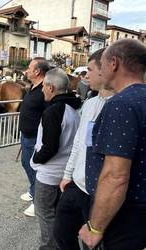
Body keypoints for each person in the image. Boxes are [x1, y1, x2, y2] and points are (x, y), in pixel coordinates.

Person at [78, 39, 146, 250]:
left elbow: (115, 176)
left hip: (125, 217)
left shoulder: (121, 105)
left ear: (114, 63)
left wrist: (95, 228)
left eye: (103, 63)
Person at [53, 48, 114, 250]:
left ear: (104, 70)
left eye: (89, 69)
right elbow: (79, 143)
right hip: (76, 186)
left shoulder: (121, 106)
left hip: (100, 194)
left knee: (93, 244)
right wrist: (67, 174)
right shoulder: (89, 104)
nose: (85, 75)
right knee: (61, 233)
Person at [29, 68, 81, 250]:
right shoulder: (73, 109)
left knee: (44, 214)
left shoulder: (53, 111)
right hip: (65, 173)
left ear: (51, 87)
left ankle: (49, 247)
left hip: (50, 175)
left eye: (43, 86)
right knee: (56, 216)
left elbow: (50, 147)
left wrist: (35, 159)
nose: (42, 89)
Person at [18, 57, 50, 217]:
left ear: (37, 71)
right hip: (26, 135)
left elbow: (48, 115)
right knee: (26, 163)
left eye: (29, 68)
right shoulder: (33, 87)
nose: (27, 70)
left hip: (35, 138)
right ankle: (33, 191)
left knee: (34, 168)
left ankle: (38, 201)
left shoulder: (45, 89)